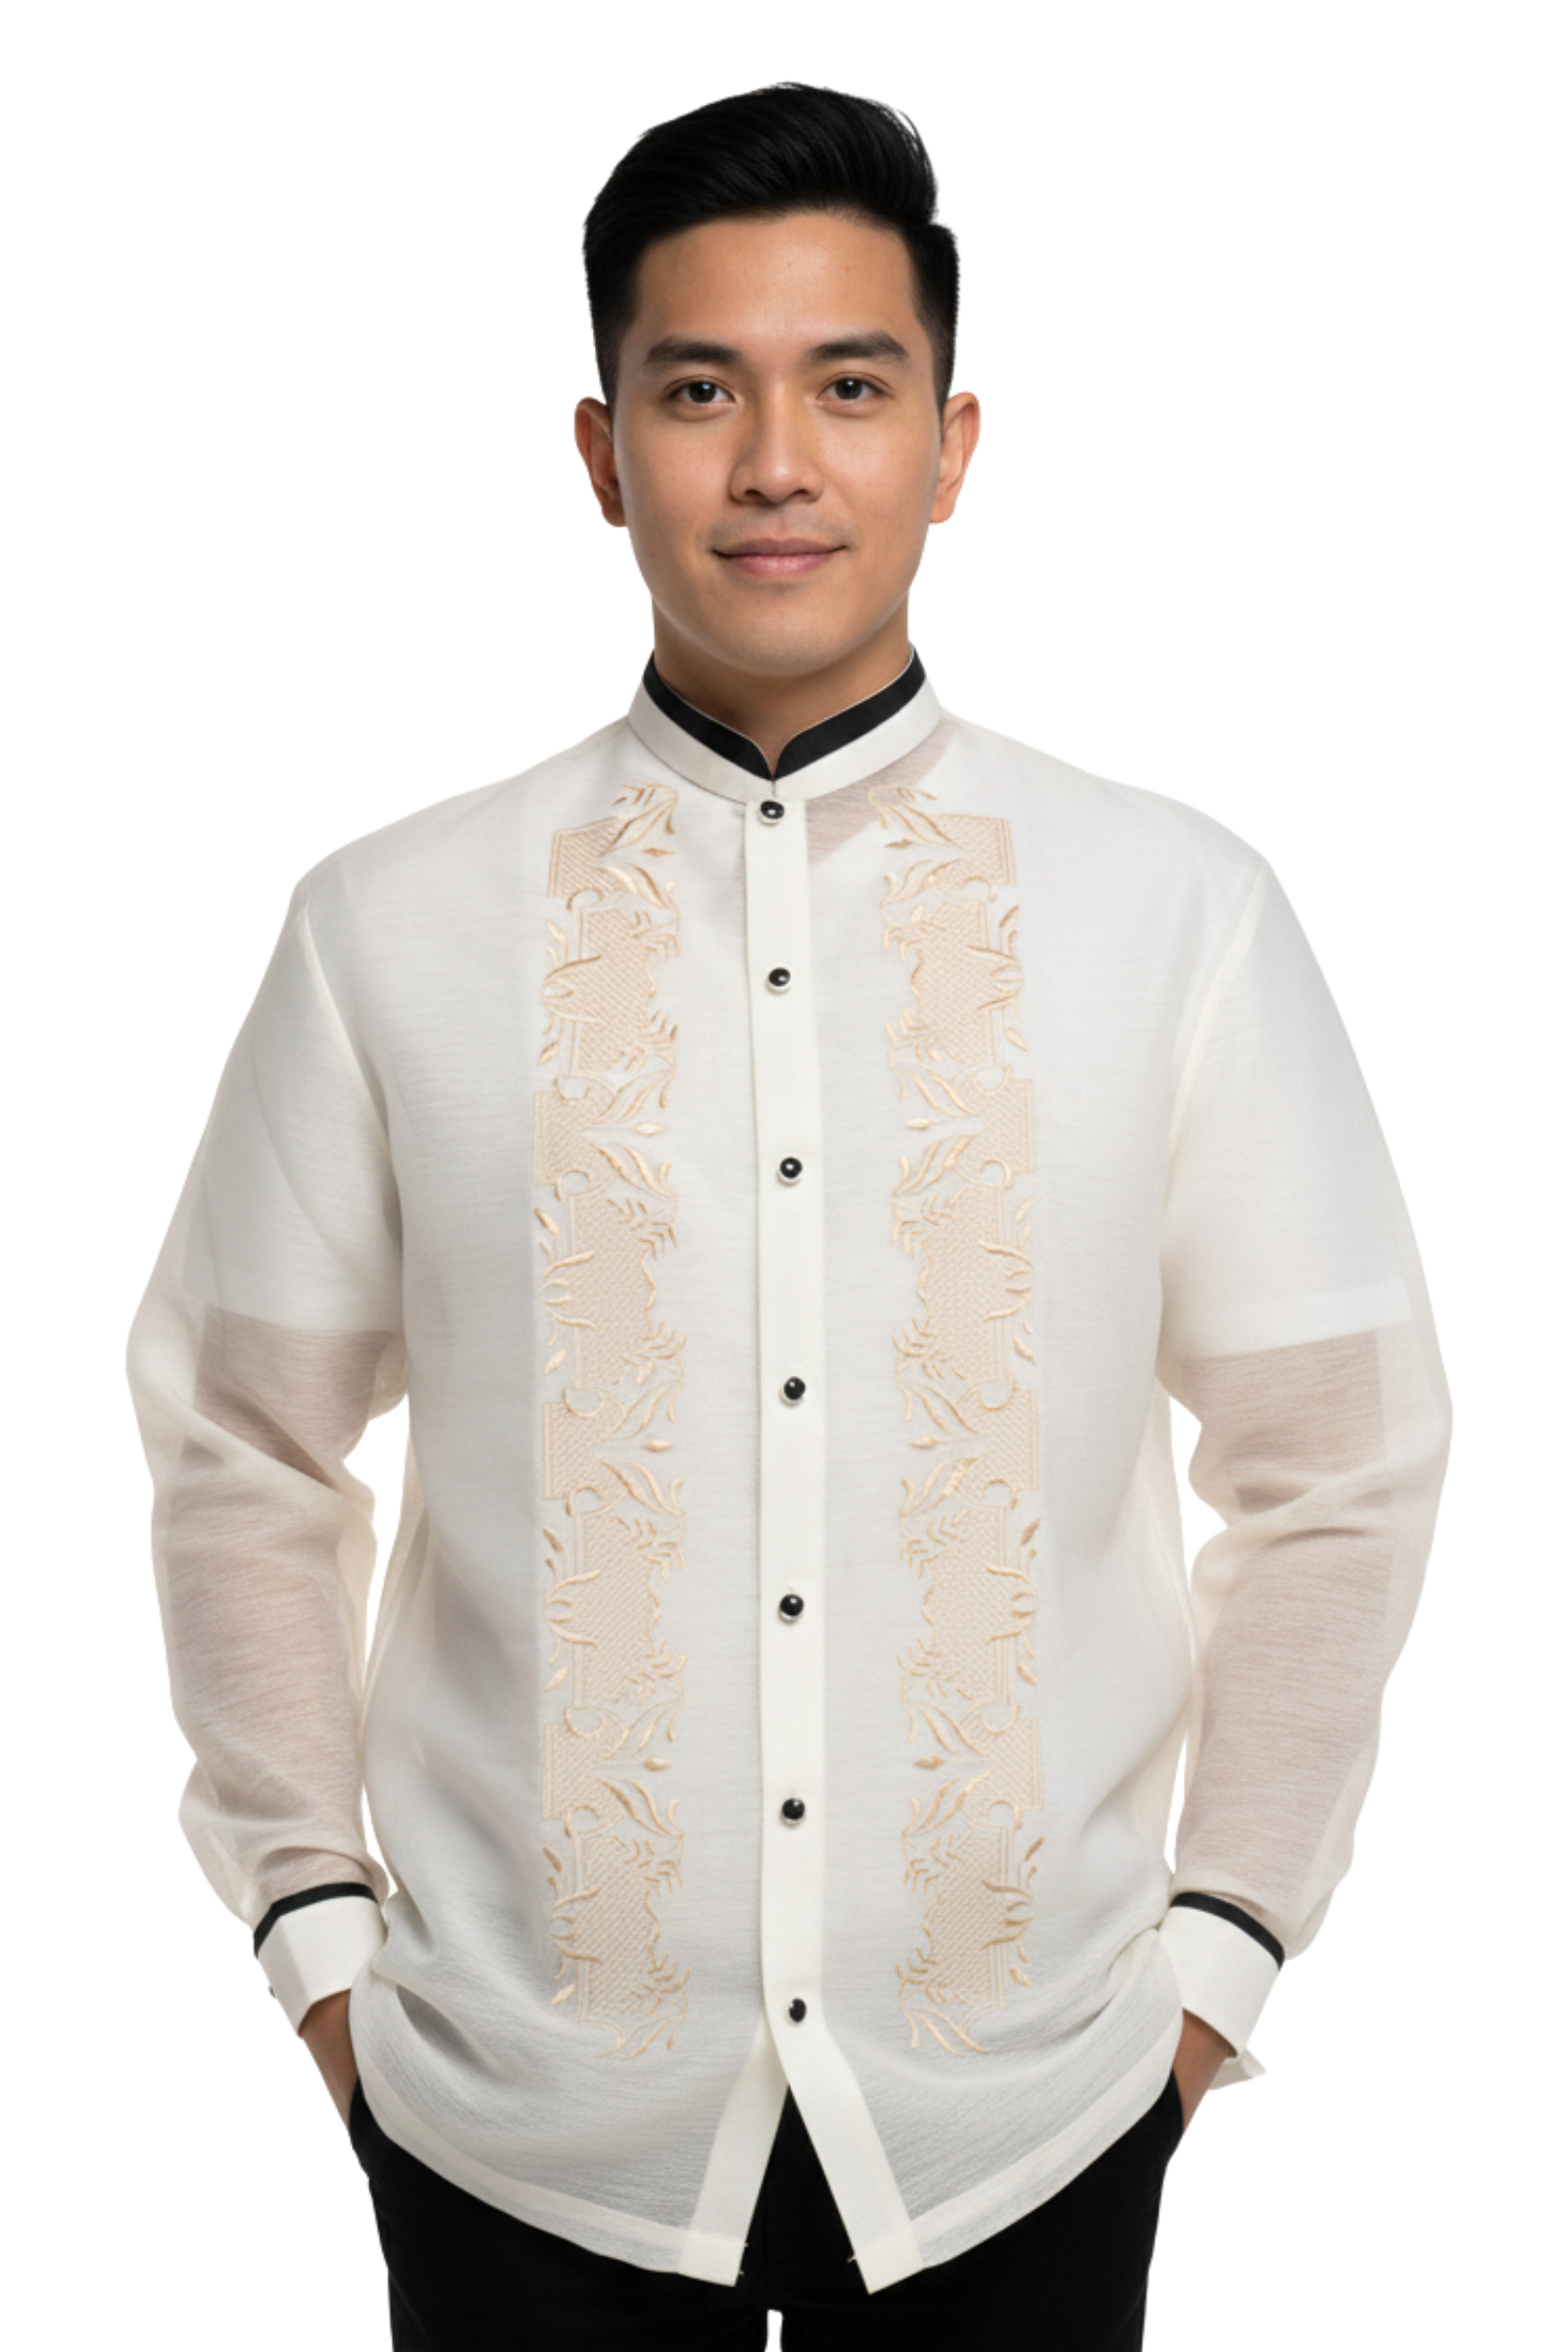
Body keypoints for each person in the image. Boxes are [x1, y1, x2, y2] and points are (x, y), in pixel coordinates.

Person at [126, 80, 1451, 2351]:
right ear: (596, 450)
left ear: (948, 443)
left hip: (1024, 2122)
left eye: (848, 387)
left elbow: (1335, 1460)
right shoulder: (387, 927)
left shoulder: (1174, 916)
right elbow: (239, 1443)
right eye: (695, 391)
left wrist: (1214, 1964)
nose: (771, 463)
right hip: (513, 2130)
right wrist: (321, 1952)